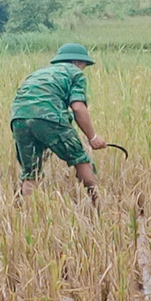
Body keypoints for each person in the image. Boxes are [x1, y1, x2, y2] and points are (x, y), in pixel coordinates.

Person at [10, 43, 107, 204]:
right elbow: (77, 107)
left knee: (31, 171)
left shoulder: (38, 73)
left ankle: (22, 212)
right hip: (49, 117)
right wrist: (93, 137)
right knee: (80, 158)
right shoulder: (75, 73)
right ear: (79, 62)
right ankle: (98, 201)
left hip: (18, 118)